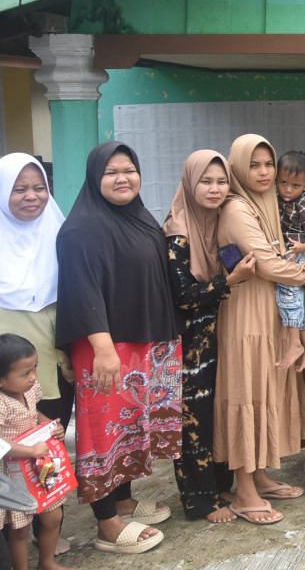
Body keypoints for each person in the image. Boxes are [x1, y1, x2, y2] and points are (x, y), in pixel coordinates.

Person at [56, 141, 182, 553]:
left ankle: (124, 499)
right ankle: (107, 524)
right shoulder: (81, 229)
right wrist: (103, 347)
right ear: (95, 179)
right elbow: (82, 289)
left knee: (128, 427)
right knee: (101, 434)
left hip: (140, 340)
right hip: (105, 345)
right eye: (111, 172)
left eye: (129, 169)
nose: (122, 178)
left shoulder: (140, 217)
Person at [215, 135, 305, 524]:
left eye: (268, 164)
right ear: (239, 168)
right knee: (246, 391)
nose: (263, 172)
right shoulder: (236, 208)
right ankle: (243, 491)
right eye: (254, 165)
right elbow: (267, 263)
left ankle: (258, 477)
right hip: (245, 316)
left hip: (269, 312)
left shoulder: (267, 205)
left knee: (264, 390)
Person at [162, 151, 257, 522]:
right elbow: (182, 295)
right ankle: (199, 500)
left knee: (214, 412)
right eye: (206, 181)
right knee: (194, 419)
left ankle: (219, 486)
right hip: (190, 342)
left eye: (222, 182)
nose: (215, 189)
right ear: (190, 183)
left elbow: (237, 263)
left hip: (220, 334)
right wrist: (228, 282)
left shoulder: (218, 223)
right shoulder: (177, 232)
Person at [0, 154, 71, 430]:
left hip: (57, 363)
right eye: (19, 189)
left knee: (51, 438)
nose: (32, 196)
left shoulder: (61, 233)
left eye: (39, 188)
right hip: (7, 368)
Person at [0, 333, 68, 570]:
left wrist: (50, 425)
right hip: (12, 472)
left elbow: (33, 413)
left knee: (53, 515)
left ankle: (46, 562)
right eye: (25, 373)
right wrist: (29, 450)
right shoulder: (1, 403)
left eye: (34, 368)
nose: (33, 377)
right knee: (20, 528)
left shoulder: (30, 390)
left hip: (38, 465)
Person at [275, 150, 305, 372]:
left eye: (295, 185)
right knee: (299, 300)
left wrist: (303, 247)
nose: (287, 189)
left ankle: (295, 343)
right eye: (283, 182)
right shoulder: (278, 199)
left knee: (288, 293)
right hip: (291, 250)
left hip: (299, 253)